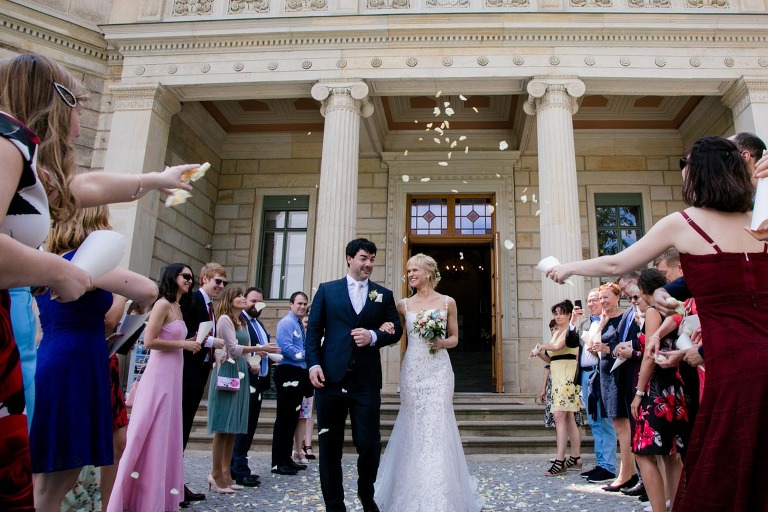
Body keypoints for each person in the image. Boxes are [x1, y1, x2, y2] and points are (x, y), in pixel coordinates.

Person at [0, 53, 198, 509]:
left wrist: (154, 179)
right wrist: (62, 270)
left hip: (17, 333)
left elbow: (84, 187)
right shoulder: (7, 143)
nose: (82, 115)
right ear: (55, 99)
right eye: (79, 103)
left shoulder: (27, 156)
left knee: (46, 473)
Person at [547, 135, 768, 512]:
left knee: (727, 463)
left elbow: (618, 264)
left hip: (732, 366)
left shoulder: (684, 223)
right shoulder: (759, 221)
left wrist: (568, 268)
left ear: (697, 175)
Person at [30, 206, 158, 511]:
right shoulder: (86, 263)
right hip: (76, 364)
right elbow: (149, 289)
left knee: (47, 476)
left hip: (59, 354)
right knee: (55, 483)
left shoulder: (51, 262)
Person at [375, 253, 483, 511]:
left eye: (415, 270)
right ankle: (407, 485)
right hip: (413, 370)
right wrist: (383, 331)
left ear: (428, 273)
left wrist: (443, 342)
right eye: (408, 271)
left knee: (438, 424)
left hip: (439, 370)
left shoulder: (448, 302)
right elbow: (397, 334)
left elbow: (455, 337)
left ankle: (441, 487)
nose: (410, 274)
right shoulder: (402, 305)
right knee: (413, 424)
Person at [305, 238, 403, 512]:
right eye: (363, 258)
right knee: (330, 445)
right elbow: (313, 331)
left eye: (372, 258)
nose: (368, 264)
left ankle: (365, 493)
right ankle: (334, 505)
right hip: (330, 379)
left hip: (366, 382)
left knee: (370, 444)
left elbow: (396, 329)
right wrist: (313, 364)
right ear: (349, 259)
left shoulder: (382, 294)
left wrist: (373, 335)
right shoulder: (327, 290)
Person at [107, 264, 202, 512]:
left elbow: (171, 338)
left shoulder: (178, 308)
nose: (190, 281)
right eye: (186, 276)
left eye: (192, 277)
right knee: (145, 432)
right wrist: (183, 343)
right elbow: (150, 341)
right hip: (159, 375)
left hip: (173, 375)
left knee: (165, 435)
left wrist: (190, 342)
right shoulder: (162, 304)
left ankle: (155, 497)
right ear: (173, 277)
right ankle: (124, 497)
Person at [632, 269, 695, 512]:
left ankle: (659, 509)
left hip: (656, 388)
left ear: (645, 291)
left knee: (643, 452)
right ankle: (677, 506)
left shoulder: (651, 311)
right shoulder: (674, 309)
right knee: (671, 453)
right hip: (674, 388)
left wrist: (638, 393)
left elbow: (650, 355)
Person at [207, 287, 271, 492]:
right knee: (223, 424)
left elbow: (244, 352)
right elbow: (233, 348)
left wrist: (255, 362)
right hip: (228, 370)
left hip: (242, 370)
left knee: (234, 425)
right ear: (230, 299)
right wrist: (260, 349)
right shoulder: (225, 319)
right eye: (239, 296)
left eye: (244, 296)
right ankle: (216, 473)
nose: (243, 299)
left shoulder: (242, 322)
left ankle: (227, 473)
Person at [180, 262, 227, 504]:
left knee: (185, 428)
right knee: (180, 428)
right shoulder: (193, 300)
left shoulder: (210, 307)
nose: (221, 286)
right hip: (187, 372)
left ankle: (177, 482)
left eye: (223, 283)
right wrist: (213, 343)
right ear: (205, 278)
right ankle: (175, 485)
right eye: (217, 281)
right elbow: (186, 334)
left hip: (200, 372)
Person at [230, 287, 279, 487]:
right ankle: (237, 469)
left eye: (259, 301)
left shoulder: (258, 324)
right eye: (252, 300)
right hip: (244, 378)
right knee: (242, 426)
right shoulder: (239, 322)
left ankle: (241, 465)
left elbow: (262, 349)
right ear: (244, 301)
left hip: (259, 379)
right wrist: (259, 352)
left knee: (250, 426)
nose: (255, 305)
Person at [531, 300, 582, 477]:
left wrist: (541, 346)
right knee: (567, 417)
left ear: (569, 314)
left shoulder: (570, 329)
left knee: (560, 415)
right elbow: (552, 358)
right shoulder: (557, 332)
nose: (558, 316)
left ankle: (560, 460)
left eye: (561, 313)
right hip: (558, 374)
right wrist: (538, 353)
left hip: (567, 376)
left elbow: (559, 347)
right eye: (556, 313)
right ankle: (575, 457)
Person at [577, 289, 618, 483]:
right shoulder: (584, 323)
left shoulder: (610, 321)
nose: (592, 303)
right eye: (589, 300)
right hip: (586, 375)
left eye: (595, 300)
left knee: (604, 419)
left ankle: (608, 466)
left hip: (601, 372)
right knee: (593, 420)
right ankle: (601, 462)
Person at [271, 291, 310, 475]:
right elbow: (286, 347)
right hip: (288, 370)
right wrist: (305, 355)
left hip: (298, 371)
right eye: (299, 304)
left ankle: (287, 458)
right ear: (291, 304)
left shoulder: (298, 324)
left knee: (293, 418)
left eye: (304, 304)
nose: (302, 307)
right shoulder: (286, 323)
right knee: (284, 418)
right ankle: (278, 462)